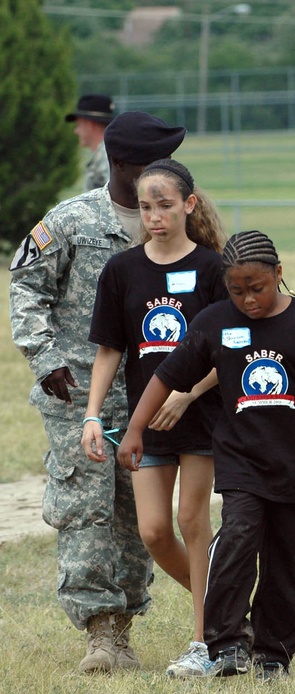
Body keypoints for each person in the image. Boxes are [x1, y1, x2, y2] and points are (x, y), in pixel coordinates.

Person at [116, 230, 295, 681]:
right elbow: (166, 377)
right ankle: (224, 644)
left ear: (279, 275)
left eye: (257, 288)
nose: (248, 300)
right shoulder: (212, 322)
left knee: (286, 564)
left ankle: (273, 654)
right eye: (236, 290)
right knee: (237, 540)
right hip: (240, 462)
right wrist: (135, 429)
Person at [9, 111, 185, 673]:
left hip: (153, 396)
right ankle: (100, 633)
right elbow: (26, 287)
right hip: (78, 394)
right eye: (153, 163)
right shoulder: (71, 221)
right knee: (85, 507)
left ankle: (126, 622)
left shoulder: (174, 218)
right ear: (124, 164)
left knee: (138, 513)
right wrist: (46, 358)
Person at [80, 158, 227, 678]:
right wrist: (92, 416)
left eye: (165, 205)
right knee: (154, 531)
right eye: (146, 207)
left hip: (202, 416)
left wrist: (188, 394)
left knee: (193, 521)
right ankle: (228, 610)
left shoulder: (213, 268)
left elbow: (229, 352)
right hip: (147, 422)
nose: (155, 216)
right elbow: (110, 351)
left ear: (188, 204)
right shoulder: (122, 270)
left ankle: (204, 641)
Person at [65, 94, 115, 192]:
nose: (76, 131)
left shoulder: (107, 156)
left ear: (90, 125)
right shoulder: (107, 152)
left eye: (78, 125)